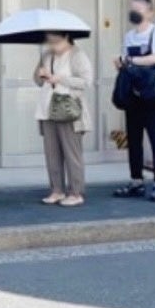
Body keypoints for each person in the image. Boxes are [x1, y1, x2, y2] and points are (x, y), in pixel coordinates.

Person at [113, 0, 155, 202]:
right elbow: (125, 60)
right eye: (132, 8)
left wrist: (131, 60)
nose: (134, 12)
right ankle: (136, 180)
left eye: (138, 9)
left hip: (154, 96)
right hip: (134, 95)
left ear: (149, 12)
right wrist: (122, 63)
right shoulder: (129, 35)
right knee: (134, 139)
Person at [35, 32, 94, 207]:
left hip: (68, 110)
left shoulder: (77, 55)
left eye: (55, 39)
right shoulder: (46, 55)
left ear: (66, 36)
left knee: (71, 153)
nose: (51, 43)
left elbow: (86, 81)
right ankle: (57, 190)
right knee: (51, 153)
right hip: (48, 108)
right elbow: (38, 81)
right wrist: (40, 74)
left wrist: (61, 79)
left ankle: (76, 192)